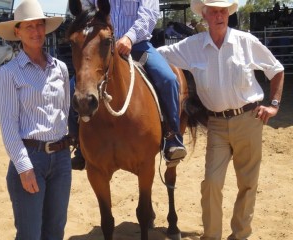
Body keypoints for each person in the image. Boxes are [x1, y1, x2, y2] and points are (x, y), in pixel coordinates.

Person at [157, 0, 285, 239]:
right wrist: (130, 45)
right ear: (205, 15)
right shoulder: (192, 46)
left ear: (228, 14)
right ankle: (212, 235)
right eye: (214, 11)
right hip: (215, 124)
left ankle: (240, 235)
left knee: (247, 184)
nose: (219, 15)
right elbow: (158, 56)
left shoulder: (246, 42)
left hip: (249, 119)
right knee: (212, 183)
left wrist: (274, 106)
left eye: (223, 11)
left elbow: (276, 69)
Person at [72, 0, 187, 168]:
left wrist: (129, 37)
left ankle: (172, 138)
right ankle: (80, 145)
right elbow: (86, 10)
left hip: (138, 45)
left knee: (168, 79)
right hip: (100, 46)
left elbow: (149, 14)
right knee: (72, 87)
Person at [0, 0, 73, 239]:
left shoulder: (60, 69)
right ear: (17, 31)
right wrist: (24, 167)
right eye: (29, 27)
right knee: (30, 234)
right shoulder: (8, 74)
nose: (36, 31)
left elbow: (65, 112)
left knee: (56, 231)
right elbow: (8, 126)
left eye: (40, 25)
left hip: (60, 159)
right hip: (31, 159)